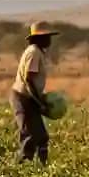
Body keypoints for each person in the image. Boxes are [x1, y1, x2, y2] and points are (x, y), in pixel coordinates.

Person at [10, 21, 59, 164]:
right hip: (23, 97)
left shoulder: (37, 52)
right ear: (37, 39)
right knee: (29, 136)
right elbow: (29, 79)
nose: (49, 40)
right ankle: (21, 167)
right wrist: (39, 102)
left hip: (29, 98)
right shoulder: (34, 53)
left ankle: (43, 167)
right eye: (46, 37)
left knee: (41, 136)